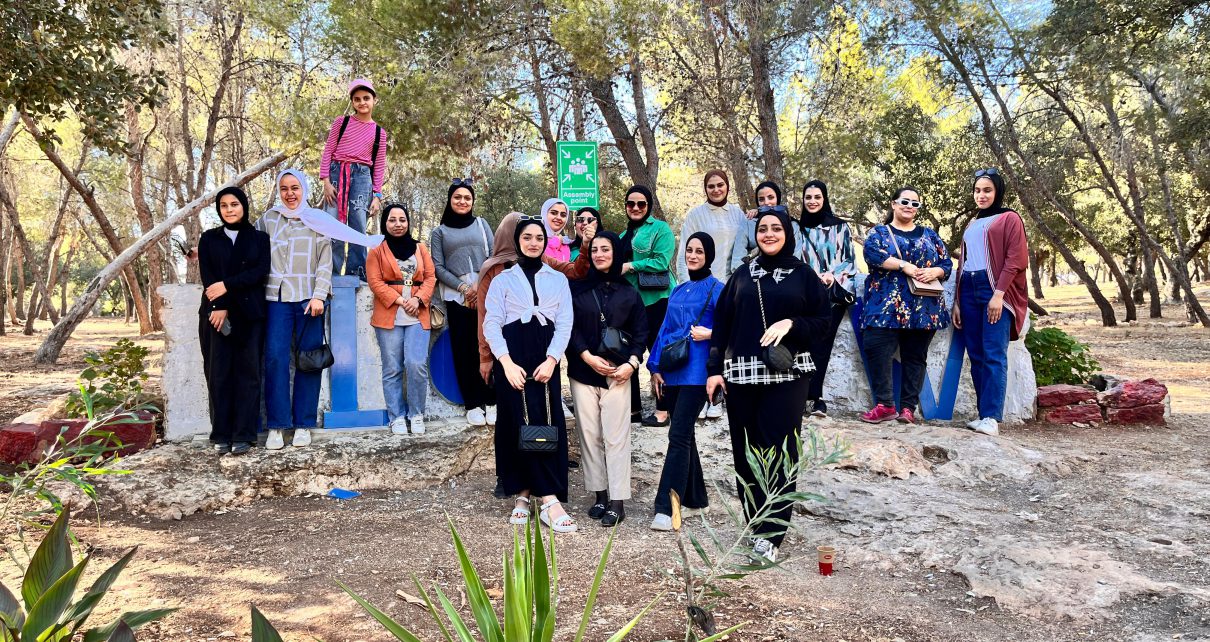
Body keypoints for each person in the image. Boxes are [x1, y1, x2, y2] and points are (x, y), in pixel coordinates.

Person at [706, 206, 830, 562]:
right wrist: (714, 369)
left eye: (776, 228)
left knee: (779, 452)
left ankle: (771, 535)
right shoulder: (742, 275)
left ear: (787, 233)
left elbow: (823, 322)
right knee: (745, 452)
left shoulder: (804, 275)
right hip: (741, 376)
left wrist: (792, 323)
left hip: (787, 377)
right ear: (755, 235)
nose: (769, 234)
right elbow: (722, 324)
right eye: (763, 229)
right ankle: (754, 523)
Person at [257, 169, 383, 450]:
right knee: (275, 359)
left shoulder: (316, 219)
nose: (290, 193)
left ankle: (303, 424)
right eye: (284, 188)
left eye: (295, 188)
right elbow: (248, 246)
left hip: (309, 301)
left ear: (303, 189)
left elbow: (326, 261)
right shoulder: (268, 219)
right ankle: (277, 426)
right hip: (276, 299)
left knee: (309, 360)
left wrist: (318, 296)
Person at [478, 213, 594, 498]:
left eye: (539, 238)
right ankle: (521, 493)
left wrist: (552, 360)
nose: (533, 243)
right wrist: (505, 363)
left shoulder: (557, 279)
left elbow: (565, 322)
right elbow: (491, 324)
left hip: (545, 357)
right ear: (517, 240)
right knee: (515, 420)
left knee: (545, 420)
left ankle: (548, 494)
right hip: (512, 357)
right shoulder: (503, 280)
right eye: (527, 237)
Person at [566, 232, 648, 526]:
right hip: (583, 372)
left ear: (617, 253)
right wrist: (586, 356)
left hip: (618, 374)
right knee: (589, 436)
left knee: (616, 437)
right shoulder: (577, 289)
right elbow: (569, 327)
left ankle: (618, 501)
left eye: (606, 249)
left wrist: (632, 364)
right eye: (595, 250)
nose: (599, 254)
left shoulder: (630, 293)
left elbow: (641, 333)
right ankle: (599, 495)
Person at [859, 186, 953, 425]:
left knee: (915, 357)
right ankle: (885, 405)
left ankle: (908, 409)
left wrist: (935, 271)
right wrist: (904, 266)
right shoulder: (879, 232)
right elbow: (872, 254)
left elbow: (947, 263)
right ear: (893, 204)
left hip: (923, 309)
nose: (909, 206)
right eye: (904, 201)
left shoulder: (930, 235)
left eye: (915, 203)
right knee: (876, 349)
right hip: (884, 307)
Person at [647, 232, 723, 531]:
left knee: (678, 434)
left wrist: (711, 333)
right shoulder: (678, 290)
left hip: (699, 373)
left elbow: (734, 327)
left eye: (699, 251)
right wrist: (655, 367)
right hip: (672, 370)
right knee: (684, 434)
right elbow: (665, 329)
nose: (692, 255)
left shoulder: (718, 289)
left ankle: (668, 508)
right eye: (689, 250)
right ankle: (697, 499)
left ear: (709, 256)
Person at [954, 168, 1029, 436]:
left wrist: (999, 294)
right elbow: (964, 262)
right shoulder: (973, 223)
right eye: (977, 190)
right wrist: (957, 301)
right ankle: (982, 413)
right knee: (976, 354)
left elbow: (1016, 259)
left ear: (998, 192)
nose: (981, 195)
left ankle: (992, 417)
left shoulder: (1009, 218)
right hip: (968, 288)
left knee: (993, 353)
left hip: (994, 289)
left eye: (987, 190)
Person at [198, 186, 270, 455]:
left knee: (248, 375)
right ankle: (221, 434)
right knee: (218, 374)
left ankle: (244, 434)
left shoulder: (259, 239)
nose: (229, 210)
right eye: (224, 205)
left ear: (244, 206)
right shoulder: (209, 239)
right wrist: (219, 306)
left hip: (249, 315)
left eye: (234, 204)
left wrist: (227, 286)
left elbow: (259, 272)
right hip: (216, 315)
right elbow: (208, 276)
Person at [430, 178, 497, 426]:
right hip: (457, 296)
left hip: (486, 292)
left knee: (489, 346)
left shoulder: (481, 224)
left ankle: (492, 400)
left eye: (467, 197)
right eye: (457, 197)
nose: (462, 201)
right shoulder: (439, 232)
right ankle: (472, 403)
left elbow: (493, 255)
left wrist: (478, 287)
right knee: (464, 349)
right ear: (450, 200)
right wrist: (463, 289)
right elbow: (438, 267)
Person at [367, 204, 436, 435]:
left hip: (417, 314)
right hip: (389, 316)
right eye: (392, 220)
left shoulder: (420, 248)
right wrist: (400, 300)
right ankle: (396, 416)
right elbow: (375, 282)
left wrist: (417, 299)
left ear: (408, 222)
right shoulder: (377, 251)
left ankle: (416, 414)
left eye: (402, 220)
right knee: (392, 368)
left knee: (416, 364)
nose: (398, 224)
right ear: (384, 223)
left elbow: (430, 277)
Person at [798, 180, 858, 417]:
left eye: (817, 197)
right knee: (801, 344)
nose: (812, 201)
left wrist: (832, 275)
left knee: (822, 346)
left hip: (831, 295)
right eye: (808, 197)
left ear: (824, 199)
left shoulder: (840, 227)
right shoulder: (797, 228)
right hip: (803, 295)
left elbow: (850, 259)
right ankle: (798, 396)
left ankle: (816, 398)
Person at [618, 185, 676, 427]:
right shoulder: (623, 235)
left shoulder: (660, 229)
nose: (635, 208)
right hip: (632, 302)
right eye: (630, 203)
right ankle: (633, 409)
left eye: (641, 204)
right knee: (627, 351)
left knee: (659, 352)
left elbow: (661, 261)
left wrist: (631, 265)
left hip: (658, 299)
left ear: (648, 206)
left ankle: (663, 409)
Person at [321, 79, 389, 279]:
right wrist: (326, 181)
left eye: (366, 98)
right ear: (352, 102)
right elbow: (328, 150)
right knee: (332, 222)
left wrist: (377, 195)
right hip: (337, 173)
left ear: (374, 100)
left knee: (358, 222)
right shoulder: (341, 123)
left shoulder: (379, 133)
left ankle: (357, 272)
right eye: (357, 99)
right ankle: (330, 271)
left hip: (362, 177)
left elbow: (379, 166)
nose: (362, 103)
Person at [677, 169, 747, 283]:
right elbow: (683, 254)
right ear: (706, 189)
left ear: (727, 186)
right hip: (703, 284)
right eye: (711, 186)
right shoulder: (695, 215)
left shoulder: (738, 214)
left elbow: (748, 245)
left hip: (734, 284)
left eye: (720, 185)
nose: (716, 190)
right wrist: (686, 284)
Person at [729, 181, 805, 272]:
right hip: (752, 275)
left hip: (785, 275)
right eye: (761, 199)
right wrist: (746, 277)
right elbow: (737, 259)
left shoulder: (792, 225)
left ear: (778, 198)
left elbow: (795, 256)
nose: (766, 202)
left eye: (771, 197)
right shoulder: (748, 224)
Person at [541, 198, 573, 262]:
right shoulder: (536, 240)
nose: (559, 217)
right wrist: (555, 241)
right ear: (544, 214)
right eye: (553, 213)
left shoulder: (566, 243)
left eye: (563, 215)